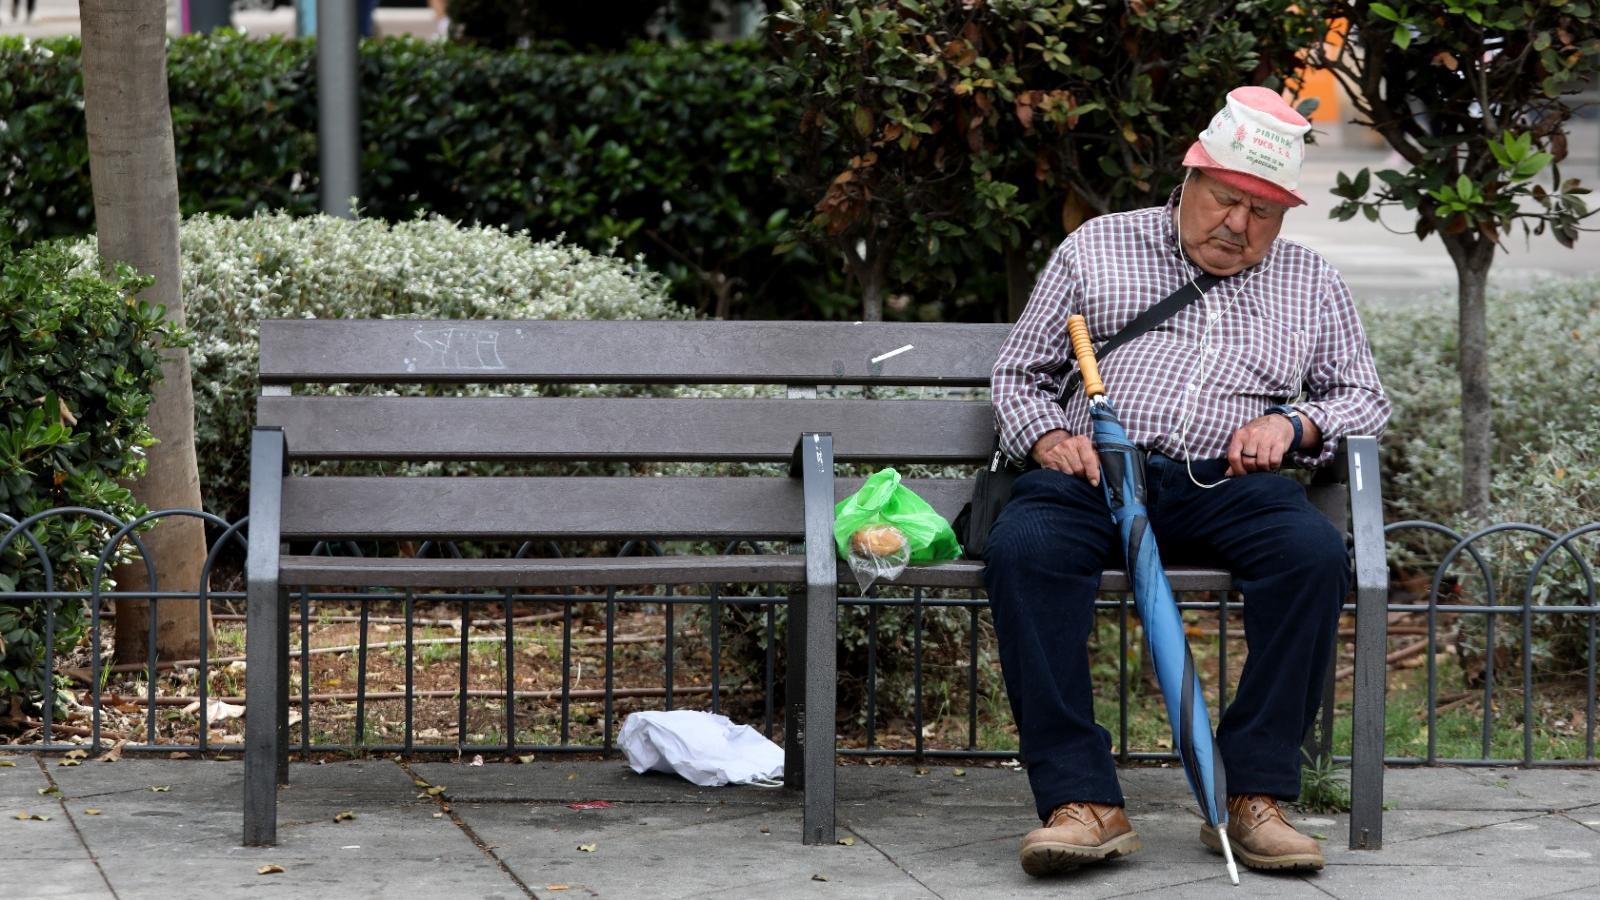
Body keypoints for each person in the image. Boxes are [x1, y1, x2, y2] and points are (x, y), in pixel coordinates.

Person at [985, 86, 1390, 878]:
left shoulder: (1312, 283)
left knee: (1310, 555)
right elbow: (1018, 374)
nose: (1239, 226)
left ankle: (1254, 797)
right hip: (1098, 474)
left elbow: (1362, 395)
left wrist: (1294, 425)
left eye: (1264, 212)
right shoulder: (1099, 247)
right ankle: (1082, 801)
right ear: (1191, 177)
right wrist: (1050, 437)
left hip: (1229, 482)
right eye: (1227, 200)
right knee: (1026, 548)